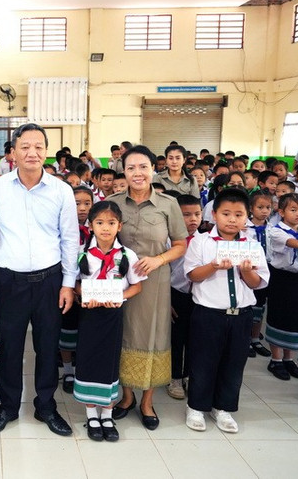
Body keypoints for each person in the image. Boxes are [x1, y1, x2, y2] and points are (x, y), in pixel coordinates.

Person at [0, 123, 79, 436]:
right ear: (13, 152)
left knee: (48, 345)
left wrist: (67, 282)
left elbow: (70, 239)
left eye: (38, 146)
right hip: (9, 280)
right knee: (9, 346)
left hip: (50, 280)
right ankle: (8, 406)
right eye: (25, 147)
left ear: (46, 152)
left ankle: (45, 405)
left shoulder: (61, 190)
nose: (32, 152)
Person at [107, 145, 187, 430]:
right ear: (123, 171)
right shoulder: (113, 201)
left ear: (154, 169)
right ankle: (127, 397)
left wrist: (158, 259)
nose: (137, 173)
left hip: (154, 283)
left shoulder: (168, 204)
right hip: (119, 282)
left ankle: (147, 402)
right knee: (124, 334)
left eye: (143, 167)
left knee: (153, 335)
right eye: (131, 168)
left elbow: (180, 244)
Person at [184, 188, 270, 433]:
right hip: (208, 313)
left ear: (247, 217)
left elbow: (258, 282)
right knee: (203, 362)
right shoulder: (202, 242)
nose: (232, 219)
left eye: (239, 214)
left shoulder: (252, 245)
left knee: (234, 363)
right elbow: (192, 275)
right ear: (214, 214)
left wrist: (246, 271)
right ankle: (196, 407)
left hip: (241, 314)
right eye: (226, 213)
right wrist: (212, 266)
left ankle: (223, 408)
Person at [74, 201, 146, 441]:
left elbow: (137, 286)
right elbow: (74, 283)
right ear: (91, 226)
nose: (106, 228)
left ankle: (106, 413)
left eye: (111, 223)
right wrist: (84, 294)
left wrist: (119, 297)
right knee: (87, 359)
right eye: (100, 223)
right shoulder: (82, 253)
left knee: (109, 361)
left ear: (119, 226)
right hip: (88, 314)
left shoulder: (127, 255)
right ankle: (91, 414)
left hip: (113, 315)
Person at [265, 193, 298, 380]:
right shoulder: (276, 230)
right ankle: (276, 359)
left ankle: (289, 359)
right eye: (293, 210)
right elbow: (290, 242)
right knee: (278, 314)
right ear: (281, 212)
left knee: (295, 318)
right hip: (281, 278)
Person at [167, 194, 203, 399]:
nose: (193, 219)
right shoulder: (169, 241)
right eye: (186, 215)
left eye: (197, 214)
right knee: (175, 339)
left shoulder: (205, 240)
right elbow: (163, 273)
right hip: (176, 295)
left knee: (195, 338)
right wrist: (167, 300)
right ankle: (175, 377)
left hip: (198, 297)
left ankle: (189, 375)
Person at [246, 192, 274, 357]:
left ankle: (255, 338)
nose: (264, 211)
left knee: (260, 306)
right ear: (251, 208)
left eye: (268, 207)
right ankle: (246, 339)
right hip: (249, 271)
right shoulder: (244, 228)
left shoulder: (272, 228)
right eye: (260, 207)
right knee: (249, 306)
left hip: (266, 270)